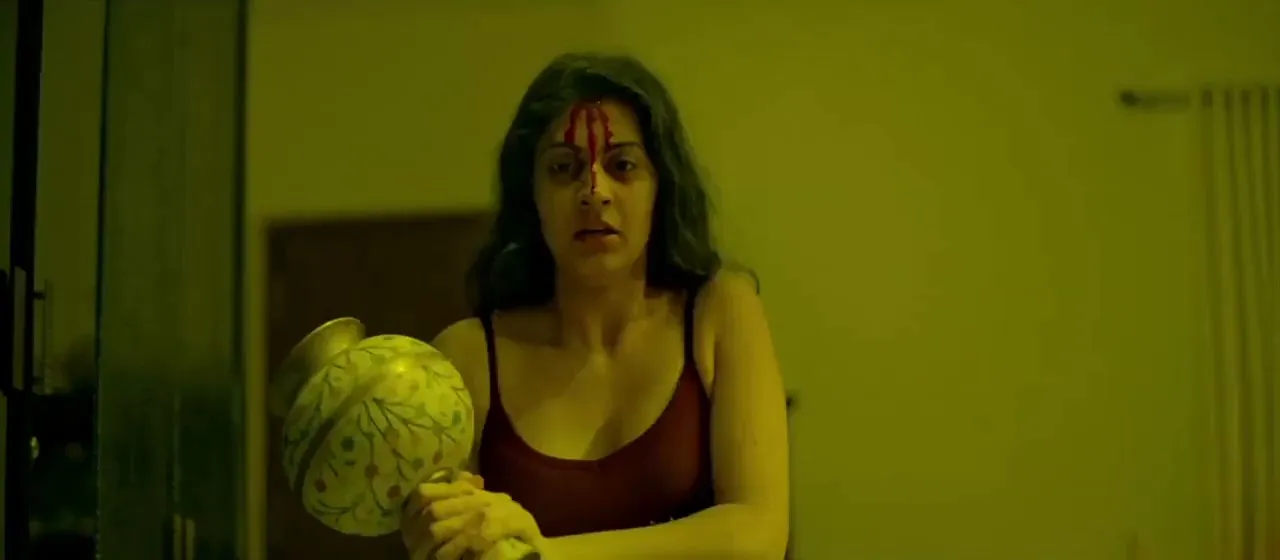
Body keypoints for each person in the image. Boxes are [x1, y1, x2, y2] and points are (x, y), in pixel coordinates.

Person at [400, 52, 790, 560]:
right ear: (531, 195)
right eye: (564, 169)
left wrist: (547, 553)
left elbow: (758, 534)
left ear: (661, 187)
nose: (594, 191)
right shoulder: (465, 357)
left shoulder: (721, 311)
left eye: (622, 165)